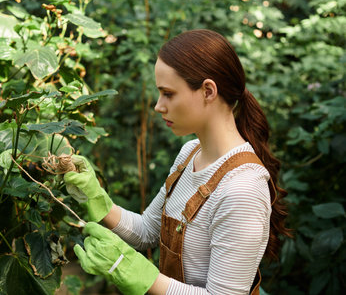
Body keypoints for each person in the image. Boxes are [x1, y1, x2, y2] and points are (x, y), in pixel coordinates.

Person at [64, 29, 290, 295]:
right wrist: (93, 195)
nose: (159, 106)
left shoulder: (243, 188)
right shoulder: (190, 154)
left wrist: (137, 273)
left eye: (168, 94)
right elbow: (147, 231)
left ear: (208, 91)